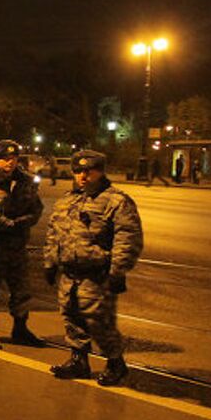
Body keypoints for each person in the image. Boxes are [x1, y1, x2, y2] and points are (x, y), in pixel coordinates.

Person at [43, 150, 143, 386]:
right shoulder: (67, 201)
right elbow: (53, 234)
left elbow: (127, 238)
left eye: (89, 171)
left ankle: (116, 363)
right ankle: (78, 360)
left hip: (96, 275)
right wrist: (50, 262)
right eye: (78, 171)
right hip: (70, 273)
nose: (83, 176)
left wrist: (118, 271)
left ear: (100, 171)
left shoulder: (116, 201)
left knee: (98, 321)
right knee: (72, 317)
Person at [0, 139, 44, 350]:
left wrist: (24, 221)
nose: (9, 163)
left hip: (17, 246)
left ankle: (20, 328)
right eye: (4, 159)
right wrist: (10, 224)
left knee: (21, 290)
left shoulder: (25, 182)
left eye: (13, 159)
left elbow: (36, 207)